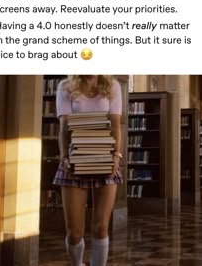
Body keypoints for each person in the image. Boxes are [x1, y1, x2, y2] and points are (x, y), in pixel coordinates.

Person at [53, 75, 123, 266]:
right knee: (74, 233)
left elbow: (116, 125)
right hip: (74, 159)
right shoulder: (65, 87)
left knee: (101, 228)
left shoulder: (113, 86)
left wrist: (116, 156)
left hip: (105, 158)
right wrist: (64, 157)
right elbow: (64, 128)